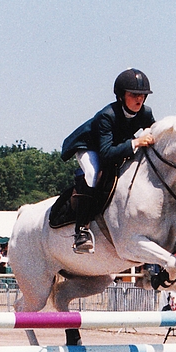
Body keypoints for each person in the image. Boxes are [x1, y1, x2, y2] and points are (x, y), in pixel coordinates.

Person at [61, 68, 156, 253]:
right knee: (93, 173)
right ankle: (81, 231)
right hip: (90, 146)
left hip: (114, 145)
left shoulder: (146, 113)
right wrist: (135, 142)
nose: (139, 99)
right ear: (121, 96)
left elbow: (154, 133)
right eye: (134, 94)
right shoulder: (107, 115)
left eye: (143, 95)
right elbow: (106, 154)